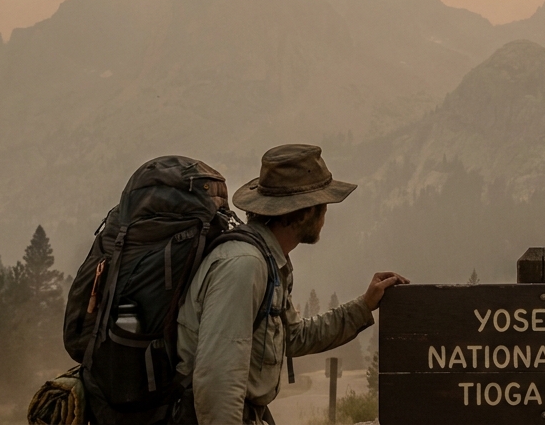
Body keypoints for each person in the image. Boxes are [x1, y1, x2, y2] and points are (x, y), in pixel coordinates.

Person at [174, 144, 407, 423]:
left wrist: (364, 306)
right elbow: (217, 381)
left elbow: (292, 337)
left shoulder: (270, 260)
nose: (325, 216)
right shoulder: (244, 265)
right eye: (323, 205)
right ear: (306, 212)